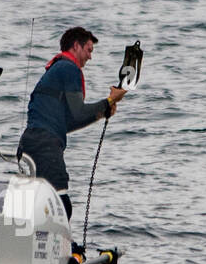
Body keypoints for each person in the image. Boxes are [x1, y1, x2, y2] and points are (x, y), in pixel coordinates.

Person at [15, 27, 126, 223]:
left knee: (40, 203)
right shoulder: (69, 68)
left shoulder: (58, 69)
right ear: (76, 46)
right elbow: (79, 111)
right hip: (45, 145)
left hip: (30, 143)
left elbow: (68, 122)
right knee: (61, 204)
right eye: (89, 50)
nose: (90, 57)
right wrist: (108, 101)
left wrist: (102, 113)